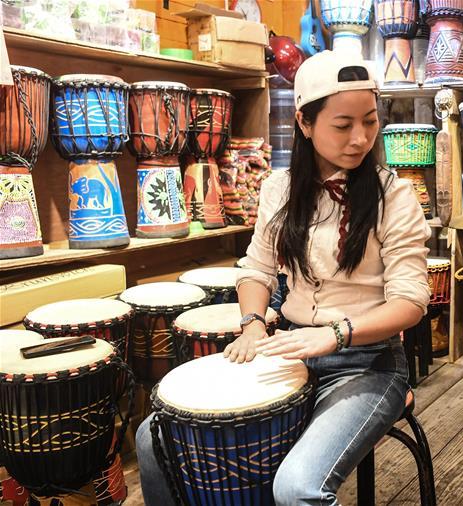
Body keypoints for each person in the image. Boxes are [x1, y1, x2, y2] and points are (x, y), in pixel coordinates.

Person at [135, 50, 431, 505]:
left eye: (370, 121)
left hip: (369, 365)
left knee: (297, 490)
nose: (360, 138)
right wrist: (253, 323)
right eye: (343, 124)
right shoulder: (279, 188)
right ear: (305, 123)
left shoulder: (396, 195)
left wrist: (336, 334)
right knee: (153, 439)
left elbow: (411, 303)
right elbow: (257, 269)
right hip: (291, 352)